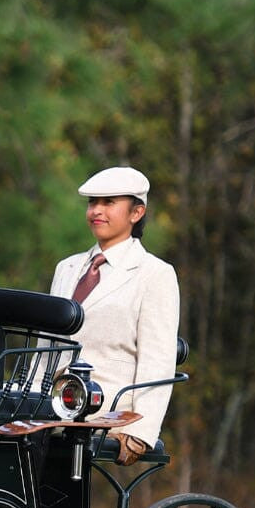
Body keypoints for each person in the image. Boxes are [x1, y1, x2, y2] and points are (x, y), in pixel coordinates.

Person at [50, 166, 180, 464]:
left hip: (107, 408)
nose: (96, 210)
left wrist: (141, 431)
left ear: (136, 213)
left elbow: (158, 359)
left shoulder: (155, 274)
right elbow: (50, 346)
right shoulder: (66, 269)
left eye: (108, 203)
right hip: (51, 403)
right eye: (92, 202)